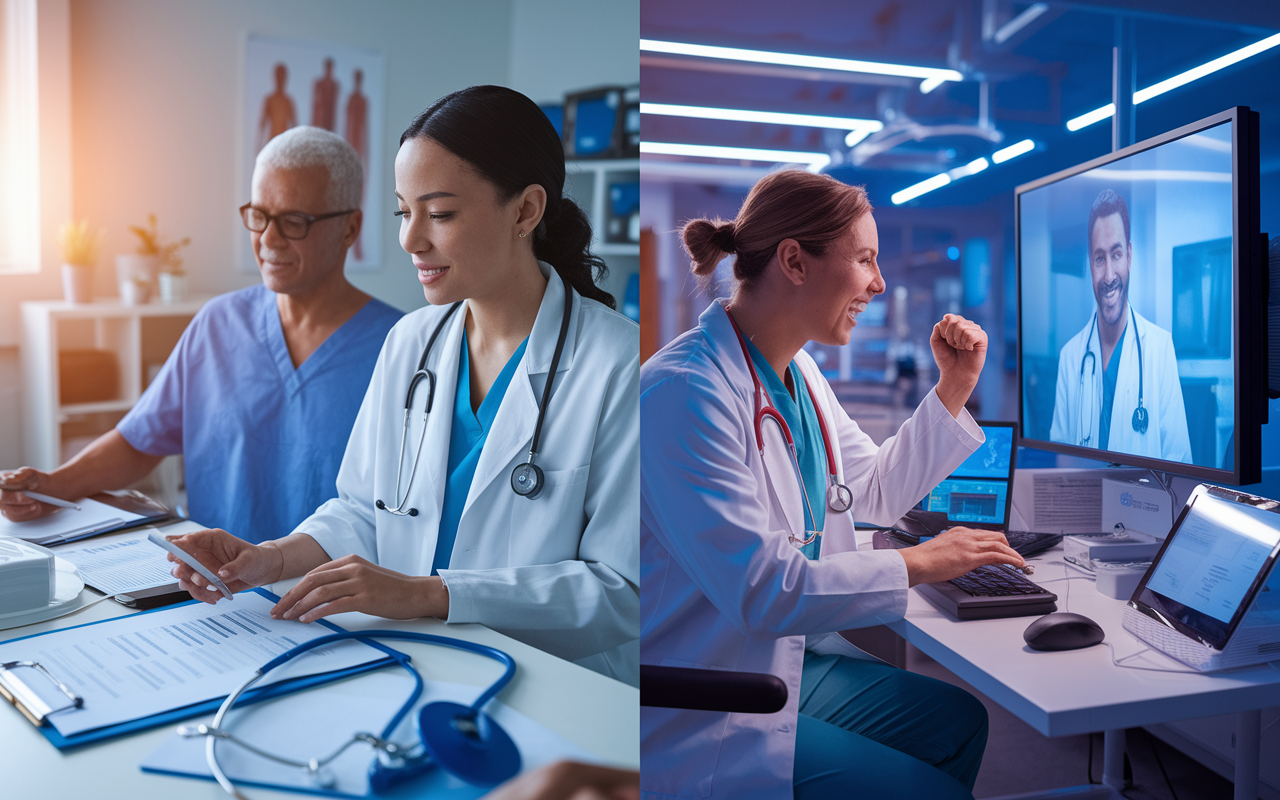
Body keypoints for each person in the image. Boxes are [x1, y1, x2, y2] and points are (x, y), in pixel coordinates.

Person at [165, 86, 640, 686]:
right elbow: (363, 510)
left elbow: (622, 590)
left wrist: (429, 594)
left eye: (439, 214)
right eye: (402, 212)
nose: (410, 240)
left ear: (525, 211)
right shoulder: (411, 342)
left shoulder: (618, 362)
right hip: (414, 663)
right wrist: (272, 558)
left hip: (560, 686)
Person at [640, 170, 1025, 799]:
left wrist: (953, 388)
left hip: (784, 656)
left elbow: (872, 490)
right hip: (711, 689)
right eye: (866, 259)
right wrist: (918, 563)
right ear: (794, 260)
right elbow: (765, 593)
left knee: (957, 723)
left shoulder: (799, 374)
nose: (879, 283)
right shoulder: (684, 393)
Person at [0, 127, 402, 544]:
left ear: (350, 228)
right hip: (213, 590)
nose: (268, 239)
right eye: (259, 216)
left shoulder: (402, 348)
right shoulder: (218, 324)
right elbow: (140, 441)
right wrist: (54, 486)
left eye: (294, 222)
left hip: (336, 602)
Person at [1049, 189, 1191, 462]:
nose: (1109, 276)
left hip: (1144, 505)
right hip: (1084, 503)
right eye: (1100, 258)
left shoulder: (1159, 349)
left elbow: (1180, 461)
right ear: (1090, 264)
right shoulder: (1070, 356)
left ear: (1129, 255)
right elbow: (1060, 461)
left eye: (1115, 254)